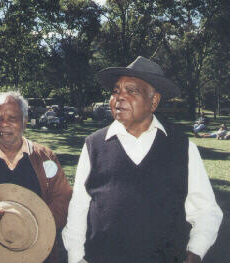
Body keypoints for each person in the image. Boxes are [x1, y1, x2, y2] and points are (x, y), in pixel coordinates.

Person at [62, 56, 223, 263]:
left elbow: (207, 211)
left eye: (131, 91)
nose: (119, 97)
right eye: (115, 91)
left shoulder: (181, 148)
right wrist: (76, 258)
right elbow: (78, 208)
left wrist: (195, 253)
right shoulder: (94, 145)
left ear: (154, 101)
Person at [0, 91, 72, 263]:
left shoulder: (45, 158)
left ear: (24, 121)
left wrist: (34, 223)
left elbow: (64, 200)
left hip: (36, 256)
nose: (4, 124)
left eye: (12, 118)